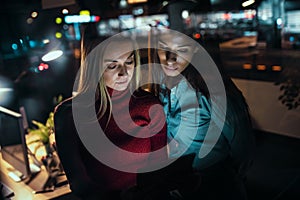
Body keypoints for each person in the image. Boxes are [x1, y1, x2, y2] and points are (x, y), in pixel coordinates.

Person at [53, 30, 168, 200]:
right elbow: (79, 184)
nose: (124, 73)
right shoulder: (69, 114)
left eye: (129, 62)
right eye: (112, 65)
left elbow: (160, 168)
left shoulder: (149, 105)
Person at [153, 29, 255, 199]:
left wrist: (226, 176)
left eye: (182, 50)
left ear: (197, 50)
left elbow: (242, 147)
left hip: (214, 185)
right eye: (164, 48)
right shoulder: (161, 86)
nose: (170, 58)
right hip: (176, 184)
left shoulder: (215, 92)